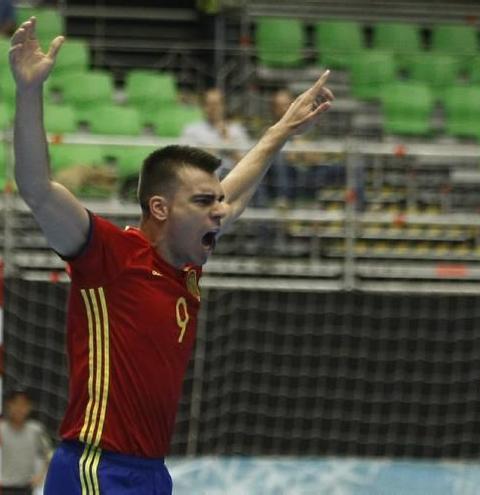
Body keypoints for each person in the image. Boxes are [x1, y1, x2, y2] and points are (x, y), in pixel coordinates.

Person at [10, 16, 332, 494]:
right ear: (159, 208)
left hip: (151, 473)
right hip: (96, 468)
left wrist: (279, 131)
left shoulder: (185, 269)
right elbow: (36, 188)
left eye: (217, 201)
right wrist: (29, 91)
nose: (220, 210)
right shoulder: (110, 255)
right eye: (204, 202)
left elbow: (236, 195)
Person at [181, 87, 251, 178]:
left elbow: (247, 165)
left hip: (234, 179)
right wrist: (217, 147)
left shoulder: (236, 130)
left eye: (217, 104)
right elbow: (184, 162)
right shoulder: (192, 130)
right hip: (203, 178)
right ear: (203, 106)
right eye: (209, 104)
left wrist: (230, 144)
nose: (213, 108)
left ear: (224, 106)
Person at [1, 388, 53, 494]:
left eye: (23, 404)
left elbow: (50, 455)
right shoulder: (1, 429)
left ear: (29, 407)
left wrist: (40, 476)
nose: (19, 408)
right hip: (3, 488)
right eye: (15, 403)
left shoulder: (36, 430)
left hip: (27, 488)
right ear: (8, 405)